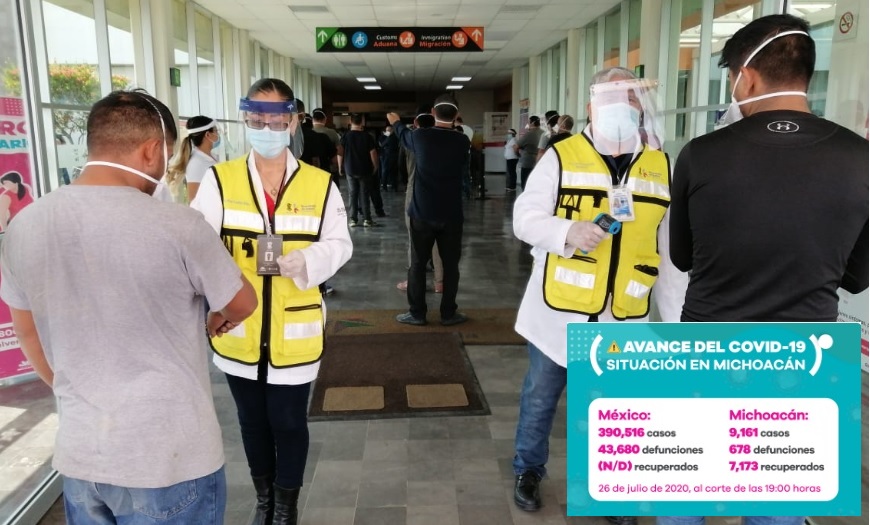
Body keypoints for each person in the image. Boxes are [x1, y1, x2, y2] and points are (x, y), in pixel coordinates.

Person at [0, 89, 258, 524]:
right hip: (170, 458)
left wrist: (77, 389)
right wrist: (217, 317)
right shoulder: (178, 224)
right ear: (152, 150)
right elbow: (243, 303)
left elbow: (28, 332)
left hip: (82, 456)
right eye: (167, 156)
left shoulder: (24, 225)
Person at [662, 15, 868, 525]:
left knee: (685, 489)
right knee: (777, 501)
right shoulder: (860, 157)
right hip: (808, 353)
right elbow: (857, 277)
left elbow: (683, 256)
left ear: (746, 77)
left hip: (708, 343)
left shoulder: (702, 154)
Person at [510, 68, 687, 524]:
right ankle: (528, 470)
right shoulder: (562, 156)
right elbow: (524, 218)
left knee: (613, 408)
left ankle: (612, 490)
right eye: (612, 98)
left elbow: (669, 254)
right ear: (591, 107)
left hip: (623, 317)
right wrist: (568, 231)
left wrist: (677, 325)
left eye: (631, 98)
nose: (622, 107)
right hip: (559, 313)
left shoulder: (660, 166)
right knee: (540, 398)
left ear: (641, 107)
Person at [191, 78, 352, 525]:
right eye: (257, 119)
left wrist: (308, 260)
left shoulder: (320, 185)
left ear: (293, 121)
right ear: (245, 119)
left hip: (294, 327)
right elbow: (198, 247)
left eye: (276, 119)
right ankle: (264, 500)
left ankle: (285, 507)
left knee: (289, 421)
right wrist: (216, 297)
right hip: (238, 325)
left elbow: (340, 244)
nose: (266, 128)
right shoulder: (219, 180)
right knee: (251, 422)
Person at [388, 95, 469, 327]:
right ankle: (448, 313)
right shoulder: (462, 141)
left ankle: (417, 313)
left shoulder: (419, 137)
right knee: (451, 266)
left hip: (422, 213)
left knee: (417, 264)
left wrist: (395, 121)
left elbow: (401, 133)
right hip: (451, 215)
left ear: (433, 112)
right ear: (456, 115)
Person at [395, 107, 444, 294]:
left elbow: (400, 166)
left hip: (414, 190)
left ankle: (414, 281)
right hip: (438, 192)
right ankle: (440, 282)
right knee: (438, 239)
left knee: (414, 238)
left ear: (415, 122)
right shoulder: (442, 140)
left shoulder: (410, 140)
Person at [166, 115, 221, 203]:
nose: (218, 134)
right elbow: (193, 200)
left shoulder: (212, 156)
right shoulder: (196, 163)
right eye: (216, 131)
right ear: (208, 135)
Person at [338, 113, 380, 227]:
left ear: (350, 122)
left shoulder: (345, 136)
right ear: (362, 122)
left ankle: (353, 219)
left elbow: (340, 153)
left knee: (352, 194)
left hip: (350, 169)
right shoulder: (367, 136)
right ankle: (367, 219)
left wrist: (340, 167)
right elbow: (373, 153)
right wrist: (375, 165)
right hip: (365, 169)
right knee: (364, 194)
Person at [310, 108, 342, 187]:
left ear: (312, 119)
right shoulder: (332, 132)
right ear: (325, 119)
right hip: (329, 169)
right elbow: (339, 151)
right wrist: (339, 166)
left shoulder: (308, 132)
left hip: (312, 170)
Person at [515, 115, 544, 190]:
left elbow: (516, 147)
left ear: (532, 123)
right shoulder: (544, 133)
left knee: (525, 183)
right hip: (540, 162)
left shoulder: (529, 134)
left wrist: (518, 155)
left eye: (528, 122)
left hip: (528, 163)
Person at [378, 124, 399, 191]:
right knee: (393, 172)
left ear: (392, 130)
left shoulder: (389, 138)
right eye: (386, 130)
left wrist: (384, 144)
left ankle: (384, 186)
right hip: (395, 156)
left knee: (385, 171)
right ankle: (394, 186)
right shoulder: (396, 137)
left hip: (388, 156)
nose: (387, 131)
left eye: (388, 130)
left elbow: (382, 145)